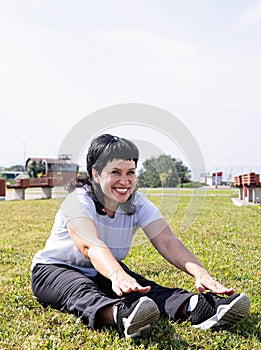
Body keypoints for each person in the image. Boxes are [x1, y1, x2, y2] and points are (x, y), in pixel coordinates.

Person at [31, 134, 250, 339]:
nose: (124, 181)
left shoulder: (137, 203)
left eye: (130, 172)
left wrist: (200, 272)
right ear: (96, 174)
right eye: (115, 172)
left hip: (104, 269)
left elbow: (167, 241)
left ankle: (199, 307)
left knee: (145, 288)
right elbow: (90, 244)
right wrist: (116, 273)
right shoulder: (77, 201)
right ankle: (122, 315)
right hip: (55, 270)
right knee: (82, 289)